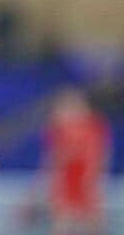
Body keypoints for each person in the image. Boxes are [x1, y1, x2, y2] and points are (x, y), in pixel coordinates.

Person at [43, 86, 111, 235]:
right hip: (66, 183)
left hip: (86, 182)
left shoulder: (95, 127)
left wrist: (93, 183)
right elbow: (54, 160)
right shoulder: (59, 130)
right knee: (63, 224)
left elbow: (99, 157)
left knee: (92, 224)